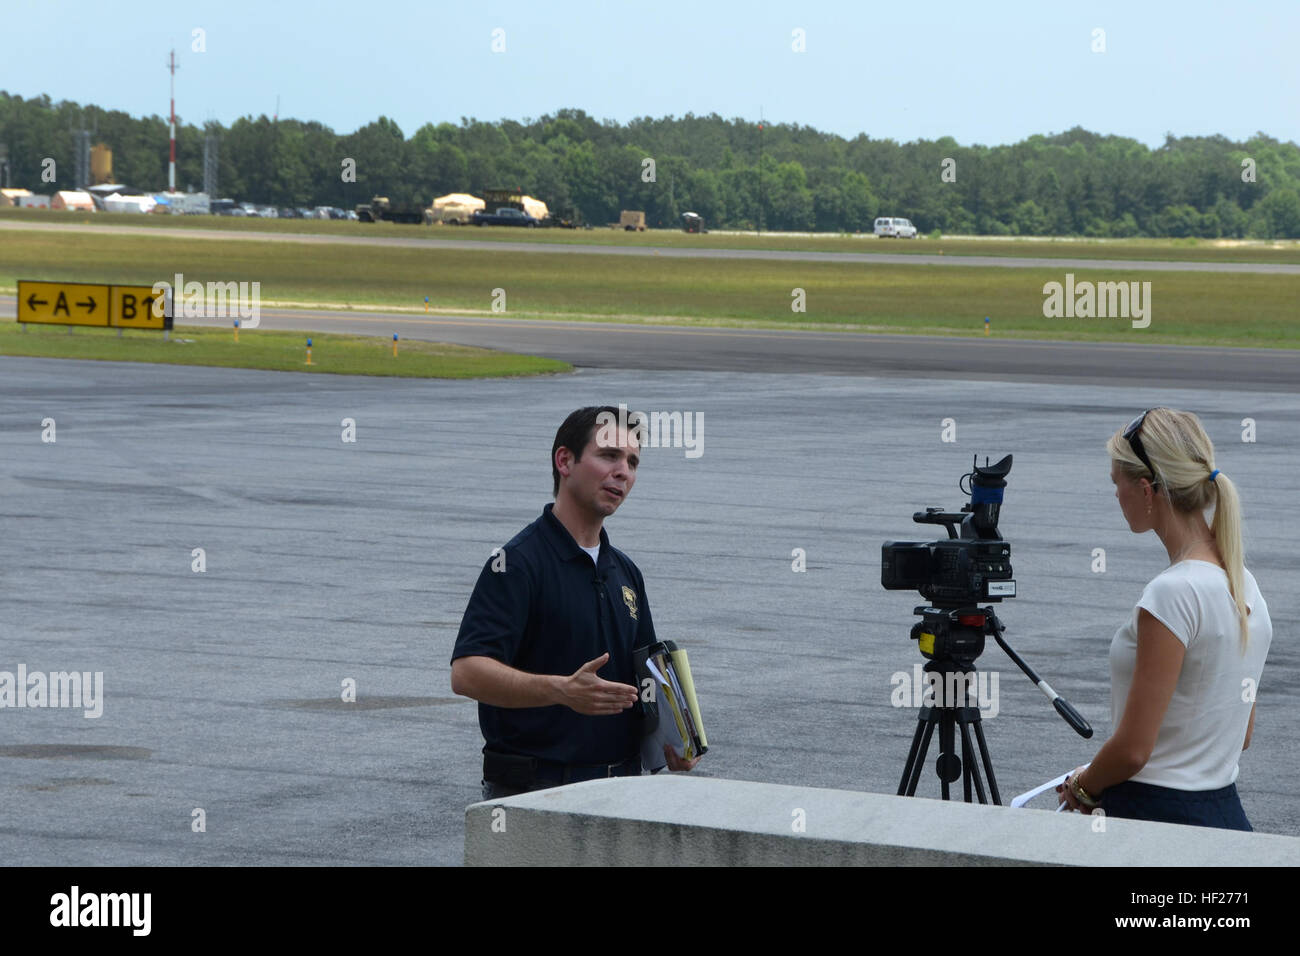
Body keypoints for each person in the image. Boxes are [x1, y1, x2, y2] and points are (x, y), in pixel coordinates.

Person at [451, 405, 702, 800]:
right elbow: (467, 673)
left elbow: (647, 673)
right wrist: (561, 690)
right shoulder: (516, 564)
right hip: (534, 793)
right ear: (564, 461)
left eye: (632, 462)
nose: (623, 471)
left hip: (621, 790)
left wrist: (675, 735)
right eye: (608, 456)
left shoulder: (626, 572)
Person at [1057, 407, 1271, 829]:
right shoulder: (1245, 585)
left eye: (1116, 483)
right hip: (1225, 817)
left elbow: (1134, 751)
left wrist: (1084, 784)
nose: (1116, 495)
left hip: (1154, 819)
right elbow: (1239, 736)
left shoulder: (1172, 593)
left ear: (1145, 489)